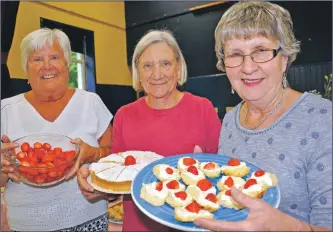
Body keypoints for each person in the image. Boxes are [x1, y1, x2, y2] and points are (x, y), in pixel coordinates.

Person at [194, 2, 332, 231]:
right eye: (235, 54)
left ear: (285, 57)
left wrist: (284, 226)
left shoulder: (322, 120)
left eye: (260, 51)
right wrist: (207, 183)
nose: (248, 67)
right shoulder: (230, 122)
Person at [77, 29, 222, 231]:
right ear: (137, 72)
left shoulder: (203, 109)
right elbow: (119, 182)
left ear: (179, 68)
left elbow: (222, 178)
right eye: (147, 66)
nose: (157, 74)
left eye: (165, 64)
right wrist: (98, 188)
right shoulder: (124, 115)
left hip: (191, 225)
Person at [1, 28, 114, 231]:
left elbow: (114, 152)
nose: (47, 66)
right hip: (27, 224)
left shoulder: (91, 102)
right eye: (36, 59)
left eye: (54, 57)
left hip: (89, 217)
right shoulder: (5, 109)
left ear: (66, 63)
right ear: (26, 67)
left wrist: (95, 153)